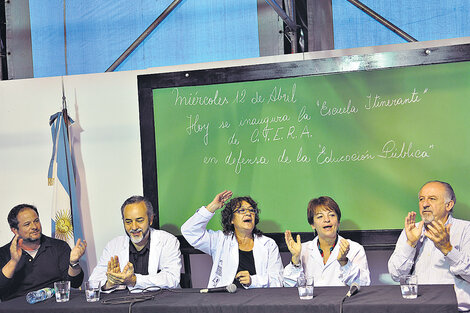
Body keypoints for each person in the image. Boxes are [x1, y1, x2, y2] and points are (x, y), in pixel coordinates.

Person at [388, 181, 470, 311]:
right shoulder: (411, 230)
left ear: (449, 205)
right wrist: (410, 244)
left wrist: (448, 250)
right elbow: (396, 275)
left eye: (432, 199)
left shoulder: (466, 230)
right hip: (416, 308)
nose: (425, 204)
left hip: (454, 309)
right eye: (421, 199)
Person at [181, 190, 283, 289]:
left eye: (251, 210)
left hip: (259, 301)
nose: (248, 214)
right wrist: (212, 207)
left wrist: (253, 281)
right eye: (242, 210)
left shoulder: (268, 244)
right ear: (231, 220)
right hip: (224, 301)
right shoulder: (219, 240)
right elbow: (189, 231)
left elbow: (278, 280)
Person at [89, 196, 181, 291]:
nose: (134, 227)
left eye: (139, 220)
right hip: (123, 303)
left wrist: (134, 280)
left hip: (161, 302)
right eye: (128, 222)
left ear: (150, 220)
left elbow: (172, 279)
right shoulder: (113, 245)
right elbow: (93, 282)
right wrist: (109, 283)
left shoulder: (168, 241)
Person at [0, 204, 86, 301]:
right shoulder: (3, 253)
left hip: (53, 306)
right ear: (15, 230)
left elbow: (75, 283)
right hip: (17, 308)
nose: (34, 227)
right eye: (27, 224)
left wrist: (74, 263)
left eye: (36, 221)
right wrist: (13, 261)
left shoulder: (59, 247)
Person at [283, 196, 370, 287]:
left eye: (332, 215)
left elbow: (364, 284)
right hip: (310, 301)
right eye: (320, 216)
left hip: (344, 300)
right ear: (312, 224)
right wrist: (295, 260)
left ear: (338, 221)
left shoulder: (355, 249)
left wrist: (344, 262)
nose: (327, 219)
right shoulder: (303, 250)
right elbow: (289, 286)